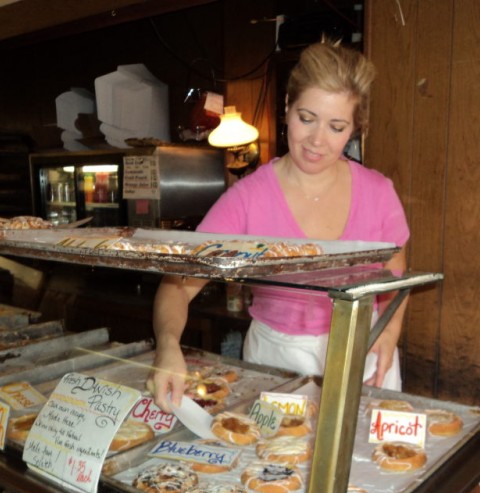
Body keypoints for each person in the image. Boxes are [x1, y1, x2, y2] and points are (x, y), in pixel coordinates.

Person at [147, 38, 410, 410]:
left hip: (363, 352)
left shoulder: (379, 192)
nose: (317, 141)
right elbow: (177, 284)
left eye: (336, 127)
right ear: (287, 106)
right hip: (277, 359)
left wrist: (390, 332)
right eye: (307, 119)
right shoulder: (248, 198)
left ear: (354, 129)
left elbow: (396, 276)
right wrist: (169, 345)